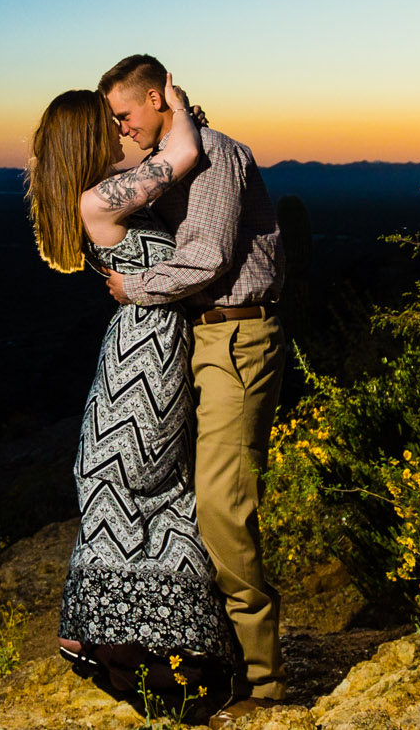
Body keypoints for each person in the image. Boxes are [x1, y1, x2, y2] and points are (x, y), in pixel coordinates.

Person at [91, 54, 289, 726]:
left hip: (235, 338)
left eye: (125, 113)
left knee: (223, 504)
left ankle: (265, 681)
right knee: (185, 496)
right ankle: (222, 655)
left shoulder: (216, 160)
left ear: (157, 96)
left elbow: (206, 258)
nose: (119, 126)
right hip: (195, 342)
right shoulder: (176, 160)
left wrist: (132, 287)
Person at [27, 81, 239, 702]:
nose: (119, 129)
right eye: (107, 123)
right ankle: (134, 646)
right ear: (85, 140)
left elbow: (164, 165)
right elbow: (183, 159)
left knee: (154, 490)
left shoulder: (100, 193)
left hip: (144, 349)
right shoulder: (98, 198)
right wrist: (173, 104)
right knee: (147, 488)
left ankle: (138, 644)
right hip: (145, 356)